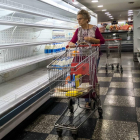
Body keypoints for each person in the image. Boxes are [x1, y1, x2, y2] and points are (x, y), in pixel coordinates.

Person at [68, 9, 105, 108]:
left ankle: (90, 98)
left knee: (90, 77)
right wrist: (71, 44)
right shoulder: (78, 30)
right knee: (80, 76)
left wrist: (92, 39)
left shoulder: (94, 29)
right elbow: (72, 41)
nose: (78, 21)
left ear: (86, 19)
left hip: (93, 56)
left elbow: (102, 41)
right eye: (77, 19)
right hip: (81, 57)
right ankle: (81, 94)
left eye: (80, 19)